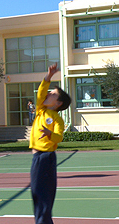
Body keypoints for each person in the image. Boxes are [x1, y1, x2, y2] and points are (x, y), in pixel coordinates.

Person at [29, 63, 71, 224]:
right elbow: (40, 92)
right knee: (37, 194)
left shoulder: (57, 119)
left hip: (46, 158)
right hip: (37, 159)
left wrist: (49, 134)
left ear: (58, 103)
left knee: (43, 195)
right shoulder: (40, 109)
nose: (47, 93)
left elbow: (59, 137)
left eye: (52, 93)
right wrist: (49, 76)